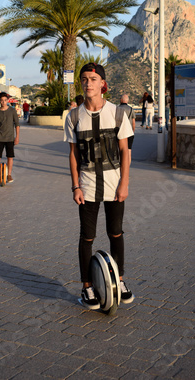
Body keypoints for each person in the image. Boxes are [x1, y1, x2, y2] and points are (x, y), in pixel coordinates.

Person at [64, 63, 134, 310]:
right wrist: (75, 187)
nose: (88, 83)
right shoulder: (73, 116)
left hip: (115, 186)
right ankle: (86, 286)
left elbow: (125, 151)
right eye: (84, 79)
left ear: (103, 83)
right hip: (88, 185)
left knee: (116, 232)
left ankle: (121, 280)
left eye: (93, 79)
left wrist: (124, 183)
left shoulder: (117, 113)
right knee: (87, 236)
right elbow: (73, 154)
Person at [0, 92, 20, 184]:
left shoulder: (12, 111)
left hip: (10, 138)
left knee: (10, 157)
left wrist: (17, 137)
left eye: (5, 100)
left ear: (7, 101)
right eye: (2, 100)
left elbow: (17, 124)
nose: (3, 102)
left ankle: (9, 175)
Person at [119, 94, 135, 166]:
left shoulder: (117, 108)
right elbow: (133, 123)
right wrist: (132, 132)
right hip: (129, 132)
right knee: (129, 151)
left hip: (120, 132)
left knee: (120, 150)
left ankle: (121, 166)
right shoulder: (131, 109)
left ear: (121, 100)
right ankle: (127, 167)